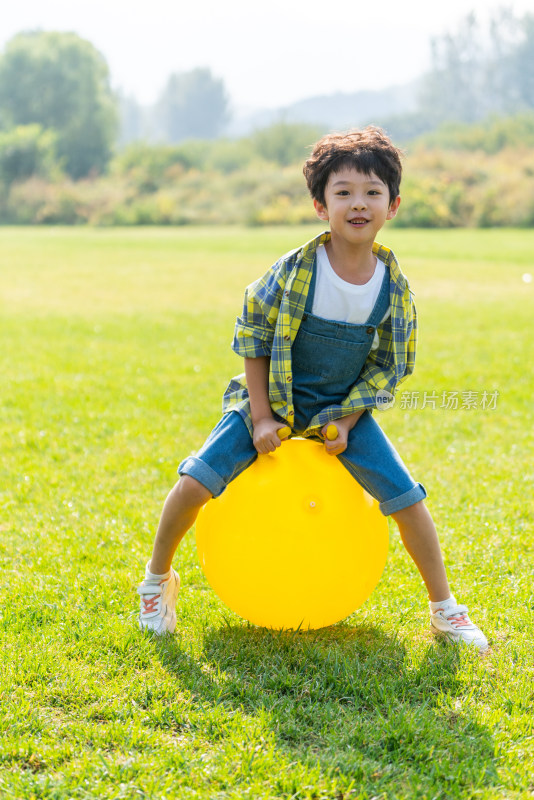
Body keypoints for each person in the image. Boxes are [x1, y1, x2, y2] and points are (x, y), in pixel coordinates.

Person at [137, 127, 488, 651]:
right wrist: (260, 417)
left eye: (371, 192)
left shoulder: (392, 287)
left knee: (408, 499)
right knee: (195, 482)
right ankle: (155, 582)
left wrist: (346, 421)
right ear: (321, 205)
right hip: (270, 400)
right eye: (342, 192)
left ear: (393, 205)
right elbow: (253, 332)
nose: (358, 204)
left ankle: (445, 609)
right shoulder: (297, 269)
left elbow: (391, 365)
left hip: (341, 409)